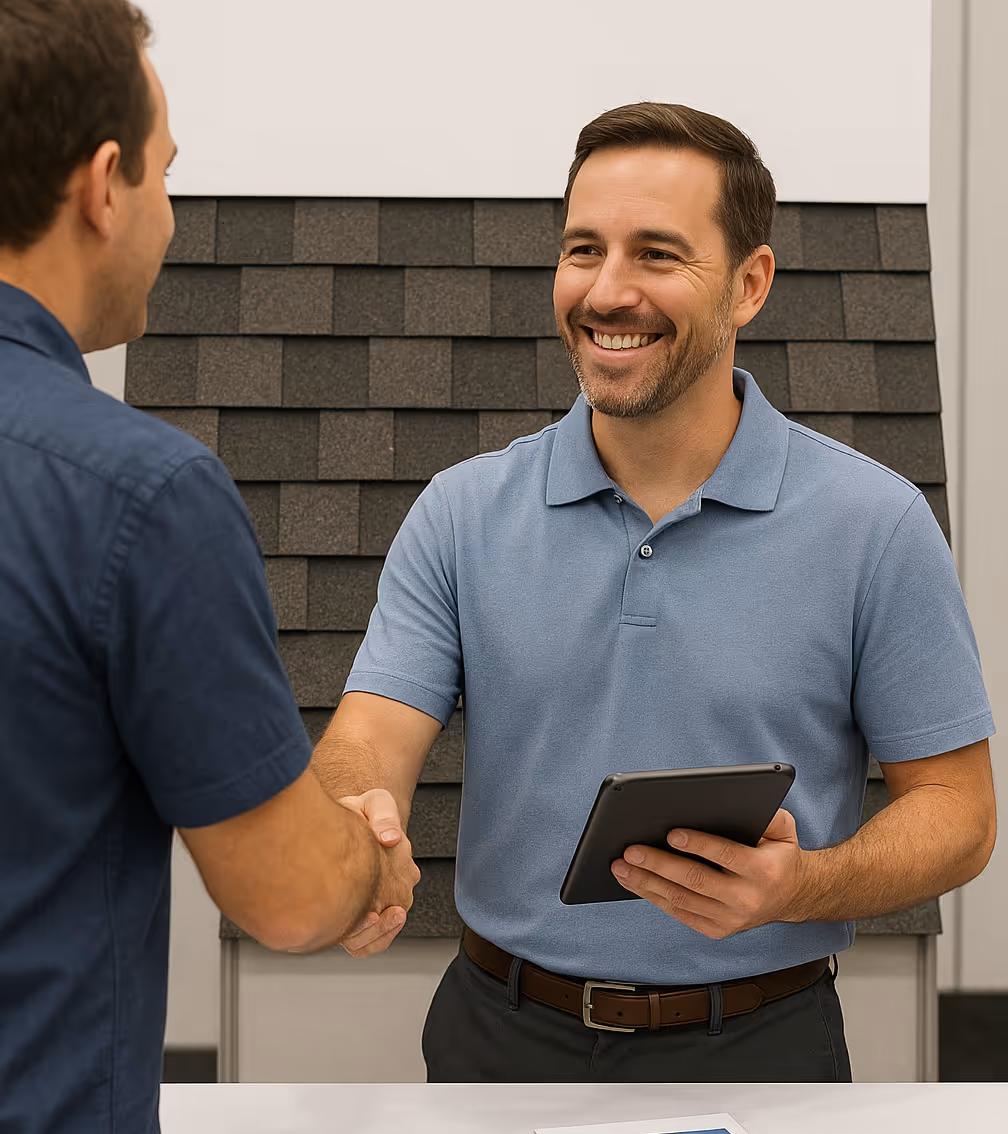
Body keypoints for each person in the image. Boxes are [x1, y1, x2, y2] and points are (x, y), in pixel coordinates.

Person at [313, 102, 997, 1082]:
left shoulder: (875, 526)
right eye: (583, 249)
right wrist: (356, 823)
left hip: (764, 1050)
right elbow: (368, 738)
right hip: (499, 1039)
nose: (608, 290)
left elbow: (960, 812)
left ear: (750, 285)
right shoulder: (461, 513)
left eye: (658, 255)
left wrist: (801, 885)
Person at [0, 2, 419, 1131]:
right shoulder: (137, 497)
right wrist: (369, 862)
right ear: (101, 185)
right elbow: (287, 894)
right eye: (166, 176)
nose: (173, 218)